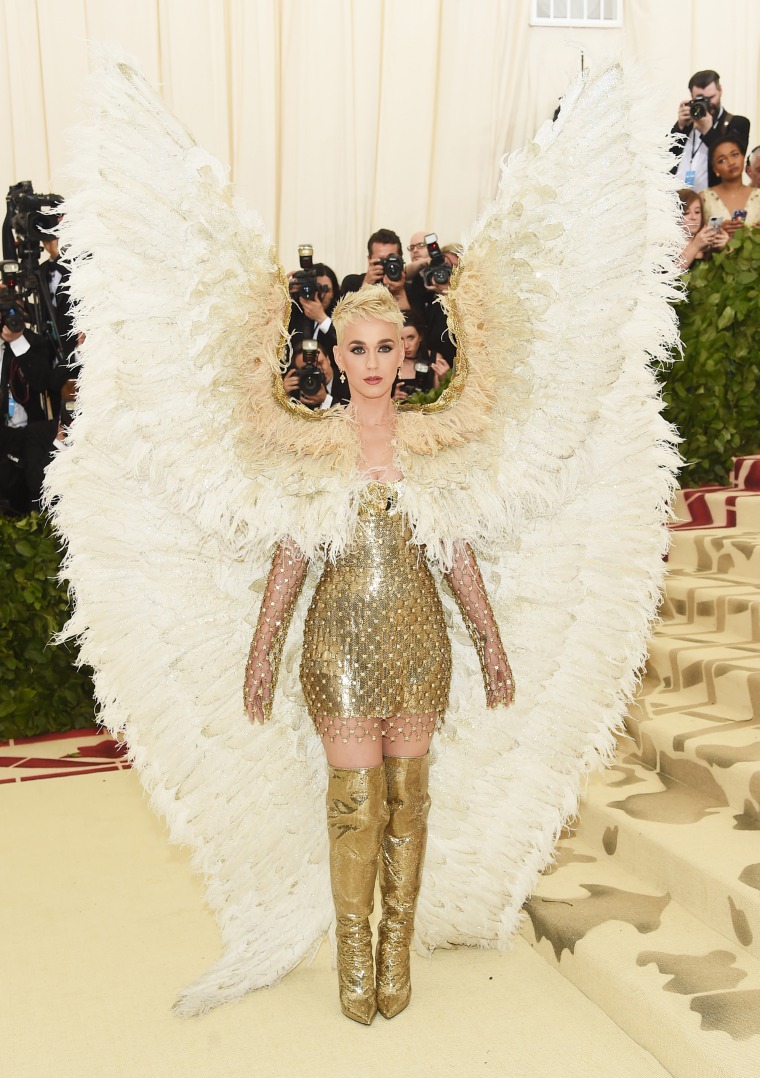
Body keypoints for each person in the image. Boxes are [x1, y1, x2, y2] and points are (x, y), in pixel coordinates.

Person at [244, 286, 513, 1024]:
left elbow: (455, 553)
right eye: (356, 348)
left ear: (406, 354)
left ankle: (397, 943)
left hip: (420, 641)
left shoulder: (431, 443)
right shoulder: (314, 444)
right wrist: (263, 648)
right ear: (335, 355)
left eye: (384, 347)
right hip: (338, 645)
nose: (370, 362)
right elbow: (292, 554)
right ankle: (353, 950)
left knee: (408, 806)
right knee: (354, 809)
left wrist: (489, 640)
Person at [670, 69, 751, 191]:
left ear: (720, 91)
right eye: (700, 99)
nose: (707, 104)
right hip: (680, 202)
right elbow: (665, 158)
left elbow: (731, 159)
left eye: (711, 97)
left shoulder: (737, 123)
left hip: (715, 202)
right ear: (691, 97)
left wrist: (708, 130)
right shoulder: (685, 126)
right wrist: (679, 127)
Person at [700, 137, 760, 241]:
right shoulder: (704, 197)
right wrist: (717, 230)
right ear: (715, 169)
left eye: (735, 154)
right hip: (715, 256)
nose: (731, 162)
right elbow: (692, 235)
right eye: (722, 160)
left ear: (743, 157)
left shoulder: (758, 196)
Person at [392, 310, 447, 401]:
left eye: (411, 338)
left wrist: (444, 380)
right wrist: (392, 400)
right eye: (401, 339)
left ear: (420, 336)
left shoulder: (434, 359)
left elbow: (440, 401)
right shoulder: (390, 361)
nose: (406, 346)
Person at [282, 336, 349, 410]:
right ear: (298, 372)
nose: (317, 370)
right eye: (306, 368)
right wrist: (284, 396)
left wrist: (326, 399)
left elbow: (356, 415)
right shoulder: (296, 391)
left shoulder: (349, 381)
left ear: (328, 359)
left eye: (320, 363)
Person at [287, 262, 340, 354]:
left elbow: (344, 342)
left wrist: (322, 318)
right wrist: (281, 293)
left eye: (326, 290)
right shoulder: (292, 312)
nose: (321, 295)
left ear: (334, 293)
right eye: (317, 288)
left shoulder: (341, 316)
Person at [676, 188, 728, 271]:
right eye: (686, 213)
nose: (694, 217)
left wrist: (726, 248)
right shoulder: (665, 247)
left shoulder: (710, 244)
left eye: (697, 212)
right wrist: (695, 246)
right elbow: (669, 275)